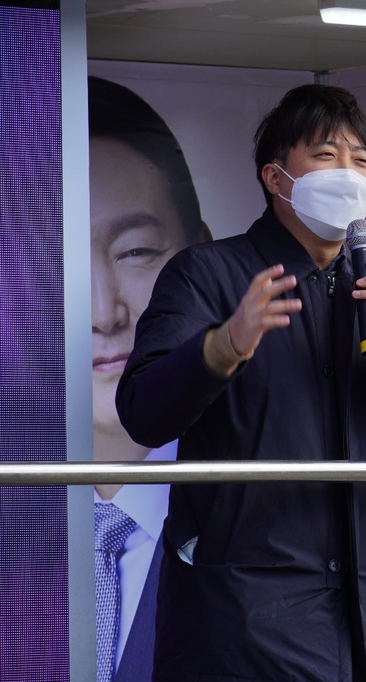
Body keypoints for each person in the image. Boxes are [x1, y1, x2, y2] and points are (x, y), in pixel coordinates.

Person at [116, 84, 366, 682]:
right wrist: (225, 345)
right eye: (326, 156)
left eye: (361, 161)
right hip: (241, 631)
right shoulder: (208, 274)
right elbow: (143, 412)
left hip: (364, 630)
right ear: (276, 179)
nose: (348, 174)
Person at [88, 76, 211, 682]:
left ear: (204, 259)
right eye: (54, 264)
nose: (102, 312)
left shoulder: (261, 511)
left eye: (135, 252)